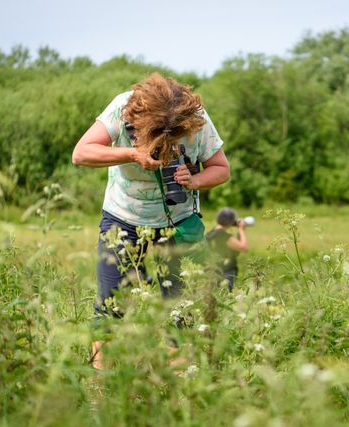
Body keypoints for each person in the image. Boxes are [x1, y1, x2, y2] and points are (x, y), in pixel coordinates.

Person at [72, 73, 230, 369]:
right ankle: (101, 392)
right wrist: (132, 154)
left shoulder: (197, 118)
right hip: (123, 222)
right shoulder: (122, 109)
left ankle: (180, 393)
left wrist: (194, 180)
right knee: (111, 308)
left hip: (177, 226)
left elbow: (221, 168)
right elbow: (80, 154)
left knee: (181, 313)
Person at [205, 208, 249, 291]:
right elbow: (244, 248)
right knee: (225, 295)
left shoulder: (209, 234)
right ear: (231, 221)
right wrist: (241, 229)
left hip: (211, 271)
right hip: (225, 272)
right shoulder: (224, 236)